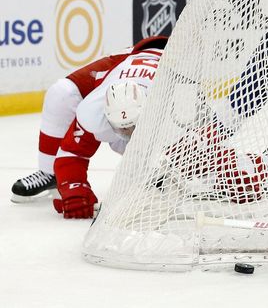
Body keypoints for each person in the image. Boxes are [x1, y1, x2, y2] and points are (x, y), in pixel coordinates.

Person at [11, 36, 167, 209]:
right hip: (125, 62)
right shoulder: (95, 108)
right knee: (61, 93)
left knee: (151, 141)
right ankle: (49, 173)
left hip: (166, 67)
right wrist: (73, 187)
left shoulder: (176, 94)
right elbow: (73, 150)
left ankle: (160, 172)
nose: (127, 132)